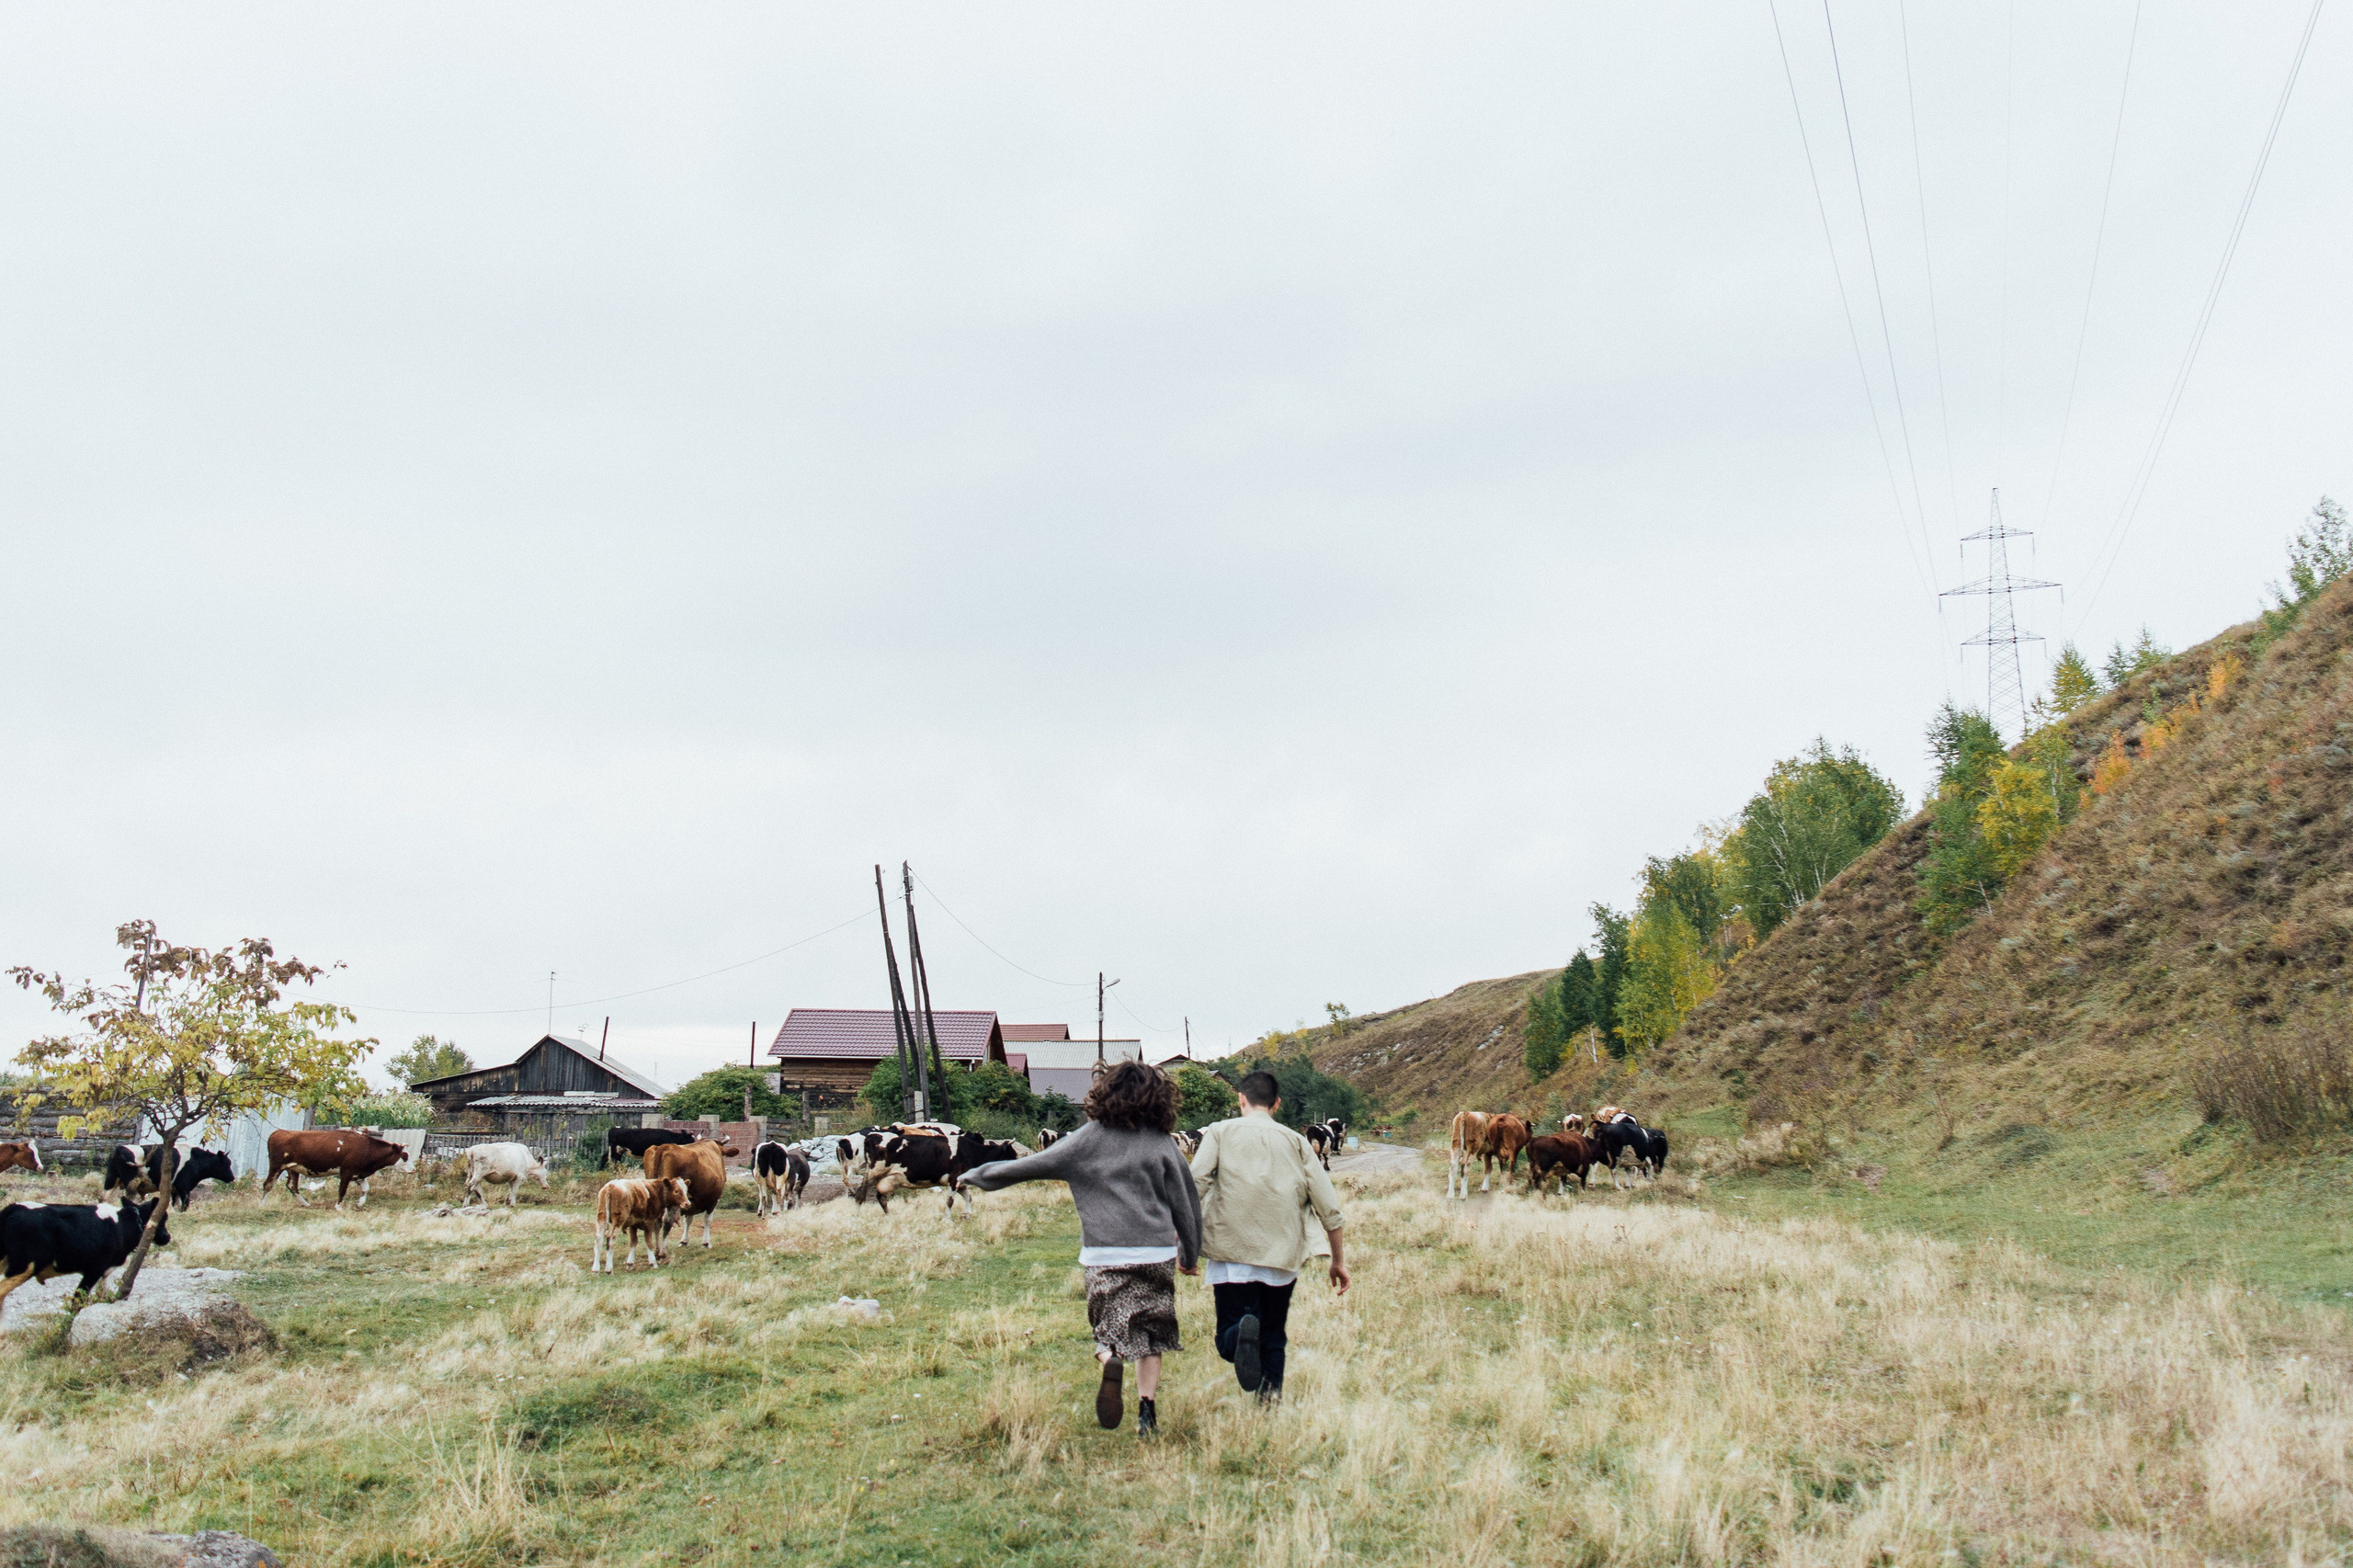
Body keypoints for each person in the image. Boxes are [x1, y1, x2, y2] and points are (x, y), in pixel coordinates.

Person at [956, 1059, 1202, 1439]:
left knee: (1107, 1331)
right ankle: (1147, 1412)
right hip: (1155, 1254)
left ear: (1104, 1092)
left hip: (1104, 1256)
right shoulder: (1162, 1142)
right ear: (1158, 1098)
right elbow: (1186, 1202)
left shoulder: (1087, 1139)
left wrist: (976, 1175)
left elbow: (1032, 1165)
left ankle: (1110, 1358)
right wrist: (1189, 1252)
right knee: (1152, 1335)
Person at [1188, 1070, 1348, 1403]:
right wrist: (1338, 1261)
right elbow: (1328, 1206)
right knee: (1273, 1335)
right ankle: (1269, 1401)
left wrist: (1183, 1243)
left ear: (1241, 1099)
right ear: (1277, 1104)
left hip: (1231, 1253)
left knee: (1227, 1335)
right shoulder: (1296, 1141)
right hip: (1282, 1255)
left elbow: (1195, 1185)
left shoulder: (1219, 1132)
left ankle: (1240, 1332)